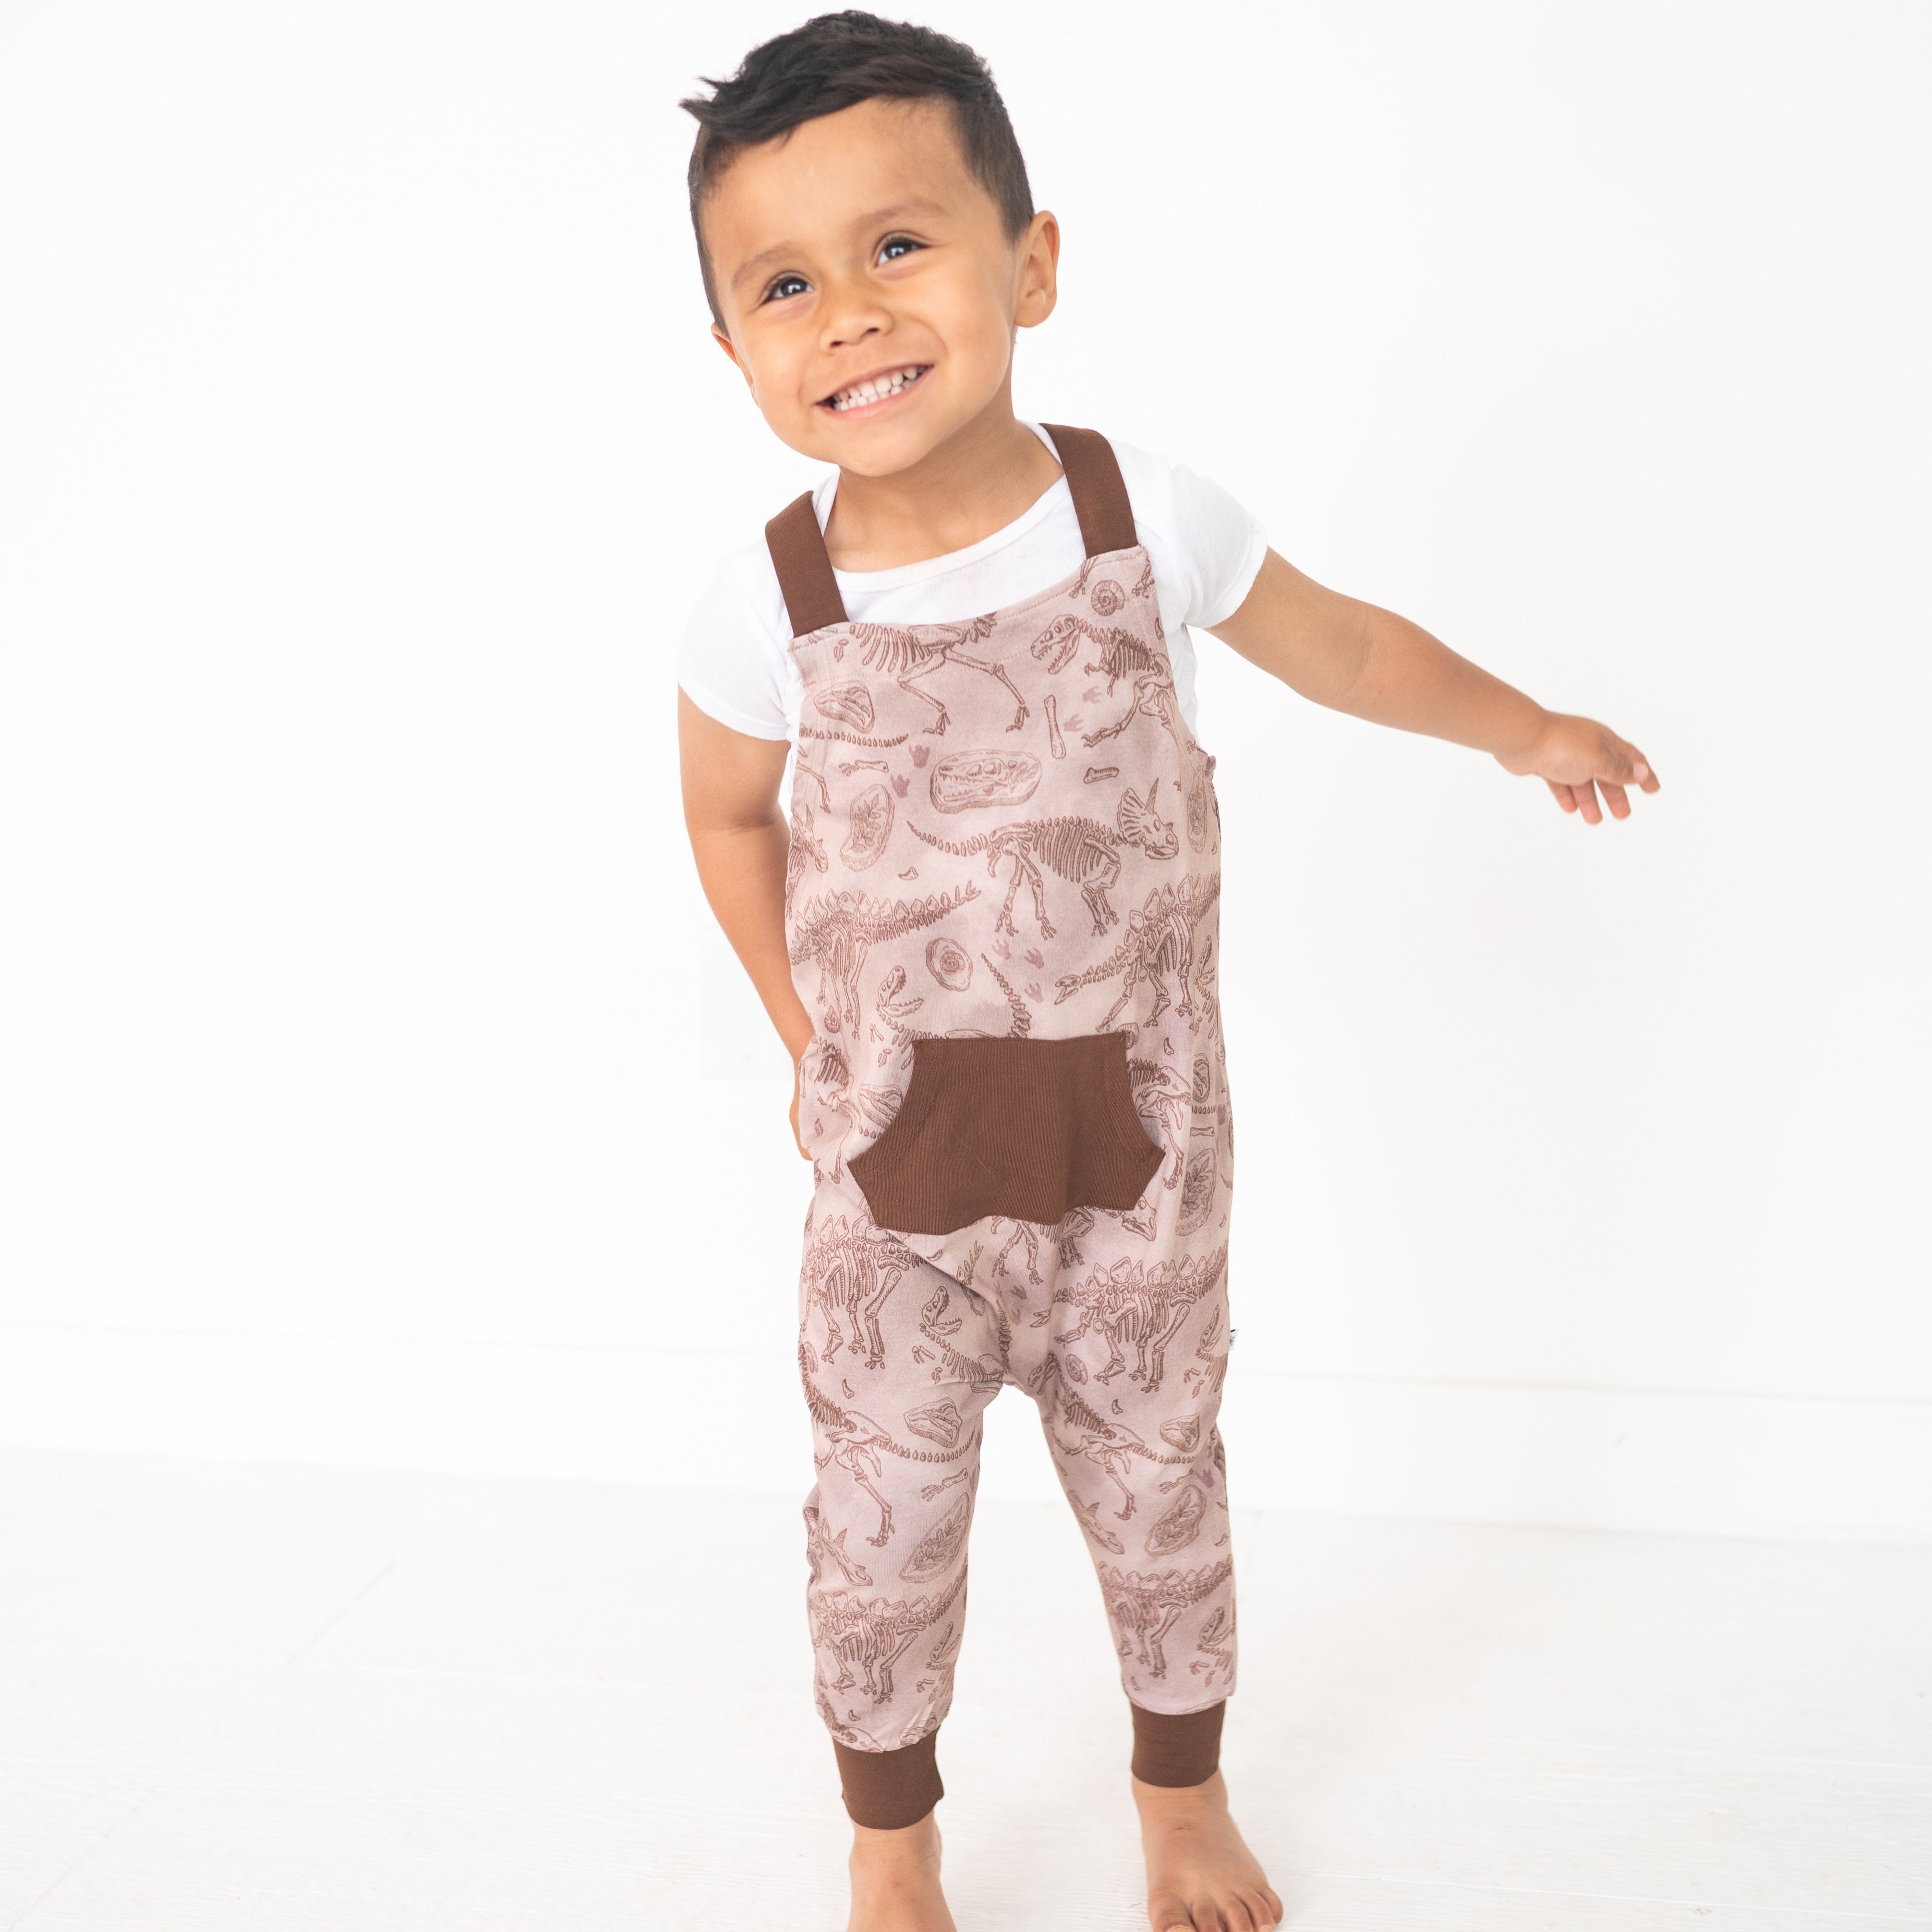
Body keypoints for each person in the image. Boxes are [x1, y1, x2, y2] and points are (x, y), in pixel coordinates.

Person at [674, 14, 1658, 1931]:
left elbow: (1350, 649)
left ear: (1029, 261)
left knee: (1162, 1488)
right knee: (881, 1524)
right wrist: (805, 1039)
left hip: (1143, 1169)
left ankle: (1178, 1794)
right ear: (734, 350)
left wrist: (1518, 726)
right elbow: (729, 822)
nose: (851, 316)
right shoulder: (763, 604)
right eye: (784, 284)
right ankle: (891, 1841)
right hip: (894, 1197)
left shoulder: (1144, 519)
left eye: (899, 246)